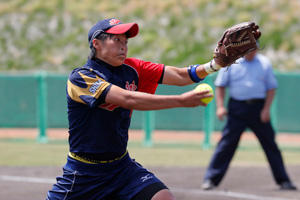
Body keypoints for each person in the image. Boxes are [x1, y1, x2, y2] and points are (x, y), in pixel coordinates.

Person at [46, 18, 226, 200]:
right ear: (96, 44)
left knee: (162, 196)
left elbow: (181, 75)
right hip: (84, 173)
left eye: (125, 41)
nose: (123, 46)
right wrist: (181, 101)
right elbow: (127, 98)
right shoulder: (82, 77)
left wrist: (215, 65)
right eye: (116, 40)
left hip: (121, 168)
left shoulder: (132, 69)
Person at [202, 48, 297, 191]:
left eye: (253, 49)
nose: (250, 52)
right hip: (237, 108)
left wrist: (266, 109)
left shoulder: (264, 63)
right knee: (226, 144)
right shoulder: (232, 63)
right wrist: (220, 107)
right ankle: (211, 179)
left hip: (258, 109)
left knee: (270, 145)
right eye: (248, 49)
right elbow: (220, 85)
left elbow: (271, 88)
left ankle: (283, 180)